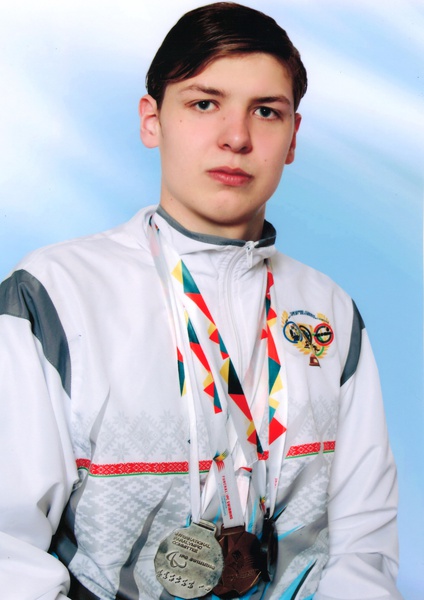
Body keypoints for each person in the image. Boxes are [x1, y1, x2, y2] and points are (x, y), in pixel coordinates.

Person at [0, 3, 402, 599]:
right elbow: (8, 552)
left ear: (292, 137)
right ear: (152, 121)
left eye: (265, 111)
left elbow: (362, 547)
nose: (236, 137)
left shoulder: (328, 311)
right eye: (204, 103)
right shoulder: (53, 294)